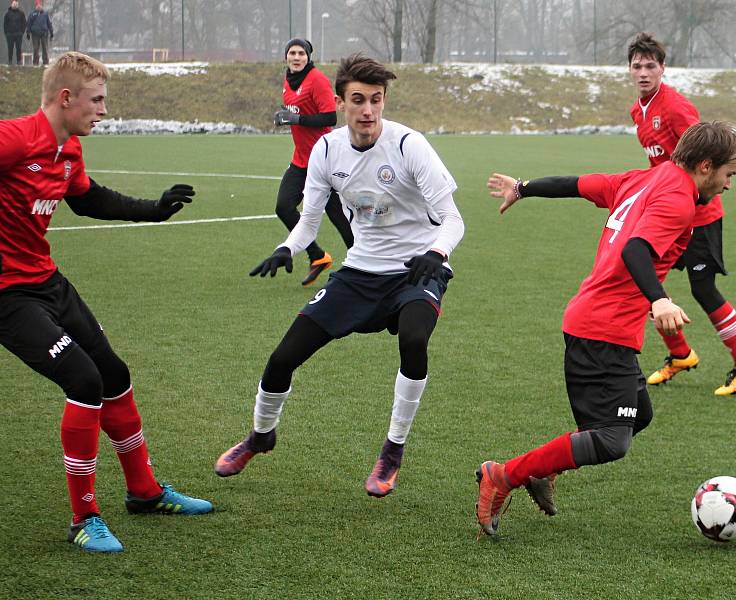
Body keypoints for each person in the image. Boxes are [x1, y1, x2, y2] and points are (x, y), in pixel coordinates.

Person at [475, 121, 736, 537]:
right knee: (611, 441)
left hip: (600, 324)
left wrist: (525, 187)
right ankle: (505, 474)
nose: (729, 185)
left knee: (639, 415)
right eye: (729, 174)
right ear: (706, 166)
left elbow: (579, 184)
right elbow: (636, 247)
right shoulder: (677, 198)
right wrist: (658, 298)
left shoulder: (644, 178)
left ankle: (541, 472)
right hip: (601, 329)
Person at [216, 53, 465, 500]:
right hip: (360, 272)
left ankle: (393, 449)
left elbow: (453, 219)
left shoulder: (410, 145)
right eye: (358, 101)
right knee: (283, 357)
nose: (368, 111)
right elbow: (309, 220)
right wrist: (286, 247)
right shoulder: (327, 150)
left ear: (384, 101)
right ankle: (261, 435)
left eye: (376, 100)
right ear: (340, 103)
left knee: (413, 338)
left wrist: (436, 251)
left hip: (416, 269)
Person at [0, 52, 212, 553]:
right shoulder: (15, 138)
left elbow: (89, 198)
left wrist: (153, 211)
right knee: (84, 379)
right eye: (97, 101)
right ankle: (84, 518)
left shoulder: (68, 148)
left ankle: (143, 492)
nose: (103, 110)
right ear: (66, 98)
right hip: (7, 295)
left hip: (48, 283)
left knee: (113, 374)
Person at [628, 32, 736, 396]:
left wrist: (694, 200)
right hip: (668, 210)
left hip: (698, 212)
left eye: (650, 66)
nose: (643, 72)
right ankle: (681, 354)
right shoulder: (638, 110)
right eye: (637, 66)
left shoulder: (674, 107)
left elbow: (709, 155)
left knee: (703, 289)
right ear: (629, 69)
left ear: (662, 68)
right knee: (645, 281)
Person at [271, 38, 354, 286]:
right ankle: (317, 256)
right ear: (286, 56)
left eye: (301, 53)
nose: (296, 57)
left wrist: (297, 120)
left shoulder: (316, 79)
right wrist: (284, 118)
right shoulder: (289, 80)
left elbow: (330, 117)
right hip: (300, 159)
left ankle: (364, 262)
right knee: (284, 207)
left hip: (324, 159)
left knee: (337, 213)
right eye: (292, 53)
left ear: (308, 56)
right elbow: (297, 113)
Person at [25, 0, 52, 66]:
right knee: (35, 48)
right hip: (35, 34)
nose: (39, 6)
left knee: (45, 48)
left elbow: (49, 23)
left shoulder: (45, 14)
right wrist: (28, 32)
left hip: (44, 33)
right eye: (37, 5)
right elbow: (29, 24)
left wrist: (51, 32)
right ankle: (35, 62)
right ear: (36, 6)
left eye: (40, 5)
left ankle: (45, 62)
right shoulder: (32, 14)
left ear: (42, 5)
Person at [4, 0, 25, 66]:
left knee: (18, 48)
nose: (15, 5)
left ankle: (19, 61)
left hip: (18, 34)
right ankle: (10, 61)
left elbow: (24, 23)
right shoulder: (7, 13)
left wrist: (22, 32)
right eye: (14, 4)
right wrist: (6, 33)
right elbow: (5, 24)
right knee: (10, 48)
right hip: (10, 34)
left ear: (17, 5)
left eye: (16, 4)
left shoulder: (21, 13)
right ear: (11, 5)